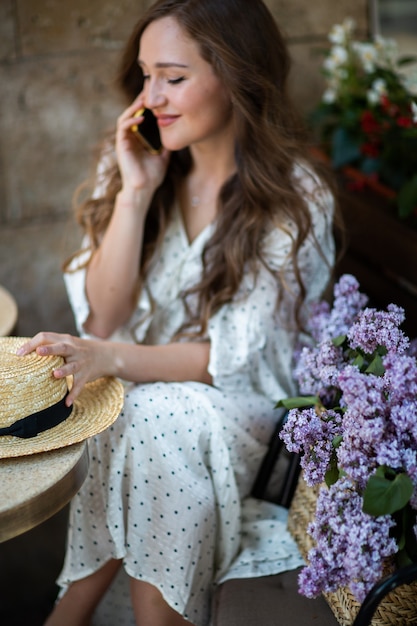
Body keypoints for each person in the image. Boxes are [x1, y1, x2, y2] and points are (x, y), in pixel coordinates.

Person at [18, 0, 338, 624]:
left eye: (174, 76)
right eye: (144, 75)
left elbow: (229, 360)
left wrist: (108, 358)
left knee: (147, 412)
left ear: (238, 76)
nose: (151, 97)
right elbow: (105, 318)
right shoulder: (138, 161)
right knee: (134, 414)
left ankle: (68, 613)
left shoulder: (298, 198)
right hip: (147, 411)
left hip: (241, 406)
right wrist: (137, 191)